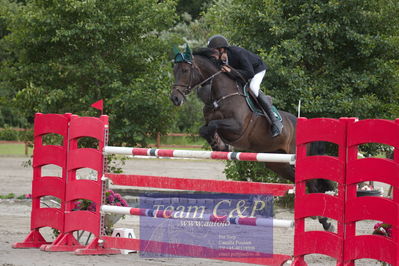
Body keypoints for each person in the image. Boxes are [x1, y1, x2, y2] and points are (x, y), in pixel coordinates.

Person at [207, 35, 283, 137]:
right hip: (242, 73)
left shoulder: (237, 53)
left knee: (253, 88)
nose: (212, 56)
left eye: (213, 52)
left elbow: (249, 73)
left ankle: (275, 121)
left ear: (221, 49)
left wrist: (230, 71)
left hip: (256, 70)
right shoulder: (221, 59)